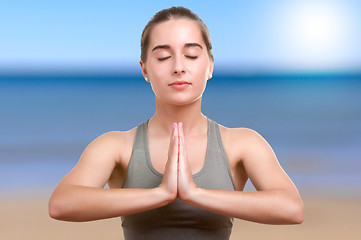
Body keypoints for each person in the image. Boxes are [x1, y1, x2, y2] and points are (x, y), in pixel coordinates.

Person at [49, 6, 304, 240]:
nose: (179, 67)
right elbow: (61, 204)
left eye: (191, 55)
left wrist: (195, 193)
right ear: (145, 70)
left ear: (210, 66)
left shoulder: (241, 144)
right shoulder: (116, 146)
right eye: (163, 57)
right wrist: (160, 193)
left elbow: (292, 209)